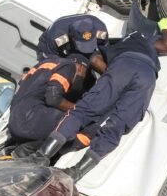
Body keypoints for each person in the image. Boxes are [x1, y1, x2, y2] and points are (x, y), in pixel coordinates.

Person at [29, 11, 167, 180]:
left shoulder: (117, 44)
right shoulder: (146, 40)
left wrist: (111, 80)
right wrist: (166, 26)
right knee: (116, 128)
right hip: (147, 76)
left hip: (123, 66)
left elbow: (94, 61)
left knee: (82, 112)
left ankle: (40, 157)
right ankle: (76, 173)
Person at [8, 15, 107, 150]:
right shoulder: (57, 41)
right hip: (31, 117)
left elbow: (103, 54)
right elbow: (53, 97)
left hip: (17, 120)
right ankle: (33, 148)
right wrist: (78, 110)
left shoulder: (101, 31)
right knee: (75, 121)